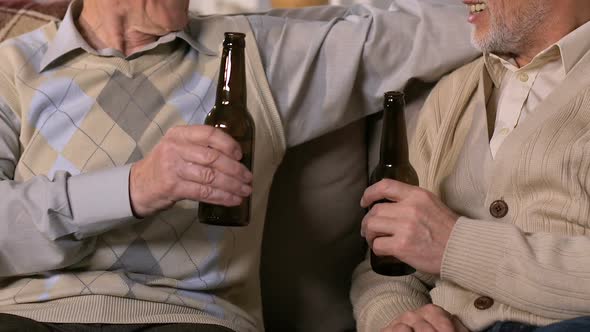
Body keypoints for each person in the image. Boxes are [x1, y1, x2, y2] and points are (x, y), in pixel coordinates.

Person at [0, 0, 477, 331]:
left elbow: (443, 26)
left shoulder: (253, 52)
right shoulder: (12, 68)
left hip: (189, 319)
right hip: (27, 315)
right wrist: (135, 187)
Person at [351, 0, 590, 331]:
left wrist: (455, 245)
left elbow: (443, 242)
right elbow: (387, 264)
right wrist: (399, 318)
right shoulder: (450, 96)